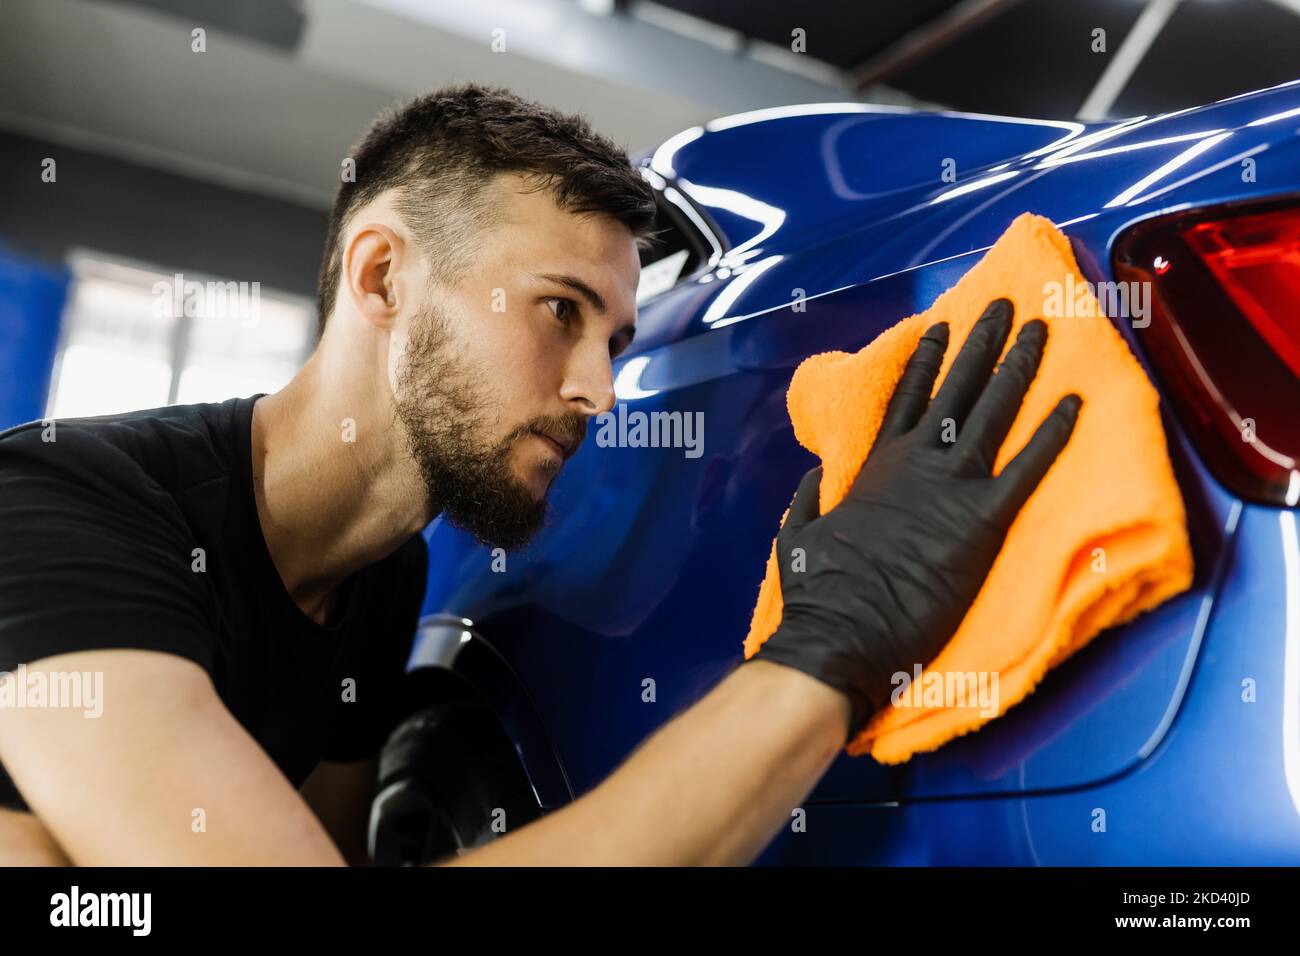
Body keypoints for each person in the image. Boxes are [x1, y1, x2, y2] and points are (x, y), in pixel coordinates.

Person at [0, 83, 1079, 866]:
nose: (599, 391)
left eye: (612, 338)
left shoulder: (381, 587)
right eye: (559, 311)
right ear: (382, 276)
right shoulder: (56, 508)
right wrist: (828, 648)